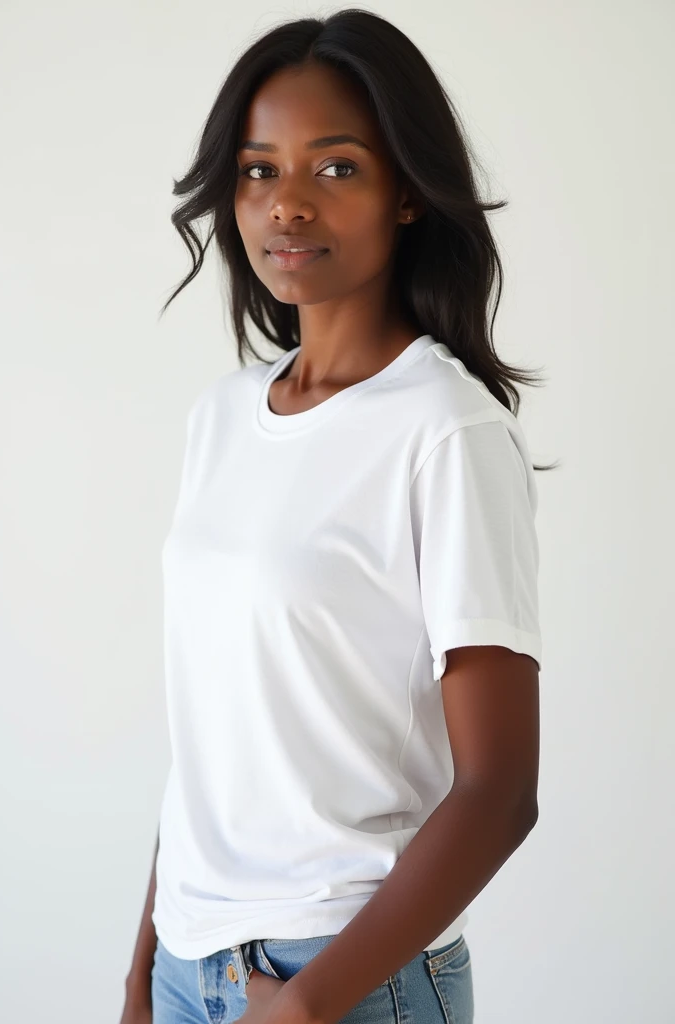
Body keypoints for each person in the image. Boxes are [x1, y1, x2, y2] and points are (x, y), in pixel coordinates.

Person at [121, 10, 557, 1024]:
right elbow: (210, 739)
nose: (286, 206)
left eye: (335, 169)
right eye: (258, 170)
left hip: (346, 975)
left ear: (407, 192)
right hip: (192, 961)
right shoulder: (221, 418)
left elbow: (499, 789)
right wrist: (145, 966)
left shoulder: (446, 431)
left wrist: (311, 1002)